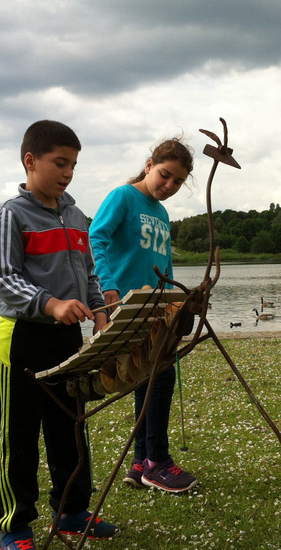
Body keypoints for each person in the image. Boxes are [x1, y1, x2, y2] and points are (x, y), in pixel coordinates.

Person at [0, 120, 118, 550]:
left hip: (67, 338)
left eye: (73, 165)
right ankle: (15, 526)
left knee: (70, 427)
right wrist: (51, 303)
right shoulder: (9, 215)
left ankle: (72, 513)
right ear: (30, 161)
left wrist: (98, 311)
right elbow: (4, 279)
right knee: (19, 435)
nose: (67, 173)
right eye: (60, 163)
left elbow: (90, 274)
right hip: (22, 336)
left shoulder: (77, 216)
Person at [89, 136, 199, 494]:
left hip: (157, 309)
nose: (169, 186)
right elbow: (97, 236)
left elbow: (164, 264)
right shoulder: (123, 197)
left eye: (178, 182)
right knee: (159, 378)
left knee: (146, 380)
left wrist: (176, 305)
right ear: (150, 164)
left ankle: (139, 463)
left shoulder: (162, 213)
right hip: (128, 308)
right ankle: (158, 463)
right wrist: (109, 289)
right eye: (165, 175)